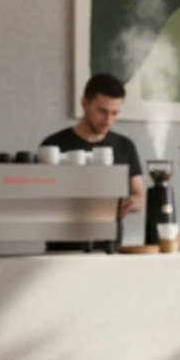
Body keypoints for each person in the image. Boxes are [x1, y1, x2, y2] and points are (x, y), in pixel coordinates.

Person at [41, 73, 145, 249]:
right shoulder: (54, 145)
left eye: (114, 113)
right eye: (102, 111)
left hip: (109, 249)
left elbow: (140, 196)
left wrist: (129, 203)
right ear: (84, 104)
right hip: (62, 251)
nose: (108, 120)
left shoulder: (124, 146)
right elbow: (41, 201)